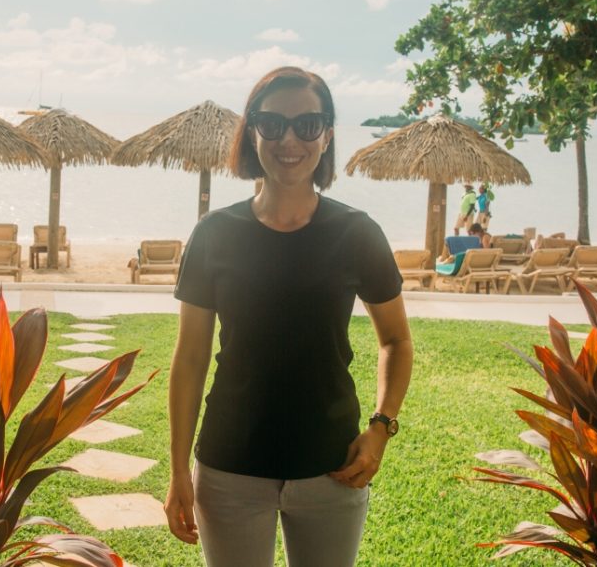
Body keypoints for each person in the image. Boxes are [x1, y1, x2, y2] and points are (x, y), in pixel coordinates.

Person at [165, 66, 414, 567]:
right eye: (272, 123)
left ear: (327, 134)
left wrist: (381, 430)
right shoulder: (214, 234)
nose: (289, 139)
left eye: (307, 124)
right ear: (252, 131)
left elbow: (396, 342)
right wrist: (176, 474)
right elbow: (190, 359)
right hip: (229, 466)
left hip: (332, 466)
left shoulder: (357, 233)